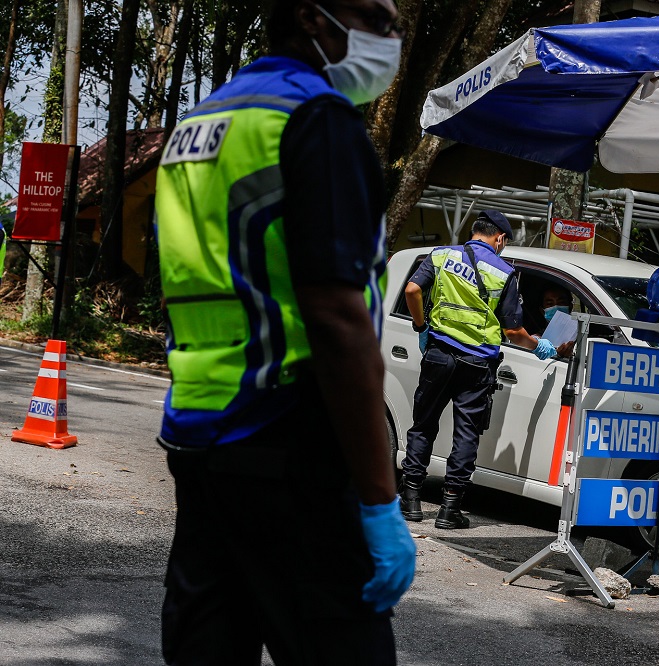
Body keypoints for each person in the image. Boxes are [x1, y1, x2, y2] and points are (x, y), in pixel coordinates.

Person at [153, 2, 414, 664]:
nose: (390, 38)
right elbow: (336, 317)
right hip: (289, 437)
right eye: (376, 17)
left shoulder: (202, 120)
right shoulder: (316, 119)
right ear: (311, 15)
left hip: (199, 429)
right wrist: (381, 502)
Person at [400, 210, 559, 529]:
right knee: (466, 434)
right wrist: (539, 345)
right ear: (499, 238)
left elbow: (412, 291)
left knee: (423, 425)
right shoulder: (504, 272)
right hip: (476, 364)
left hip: (439, 354)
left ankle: (411, 500)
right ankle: (449, 510)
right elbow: (513, 332)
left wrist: (421, 327)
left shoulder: (442, 254)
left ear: (475, 231)